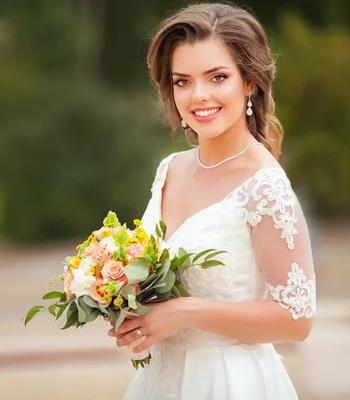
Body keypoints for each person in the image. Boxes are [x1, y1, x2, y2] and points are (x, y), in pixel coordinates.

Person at [109, 3, 316, 399]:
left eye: (217, 77)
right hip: (161, 381)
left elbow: (297, 319)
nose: (198, 95)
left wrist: (187, 312)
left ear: (249, 81)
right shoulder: (169, 169)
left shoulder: (264, 185)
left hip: (230, 383)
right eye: (182, 81)